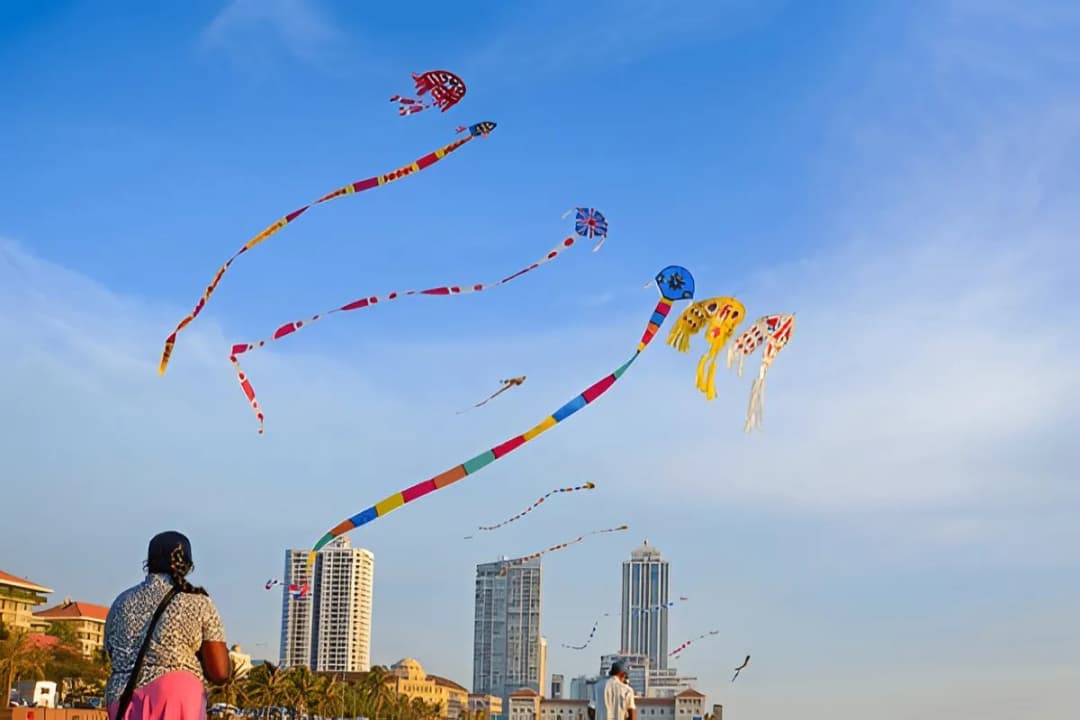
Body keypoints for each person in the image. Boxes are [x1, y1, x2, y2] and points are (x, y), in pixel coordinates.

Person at [105, 531, 230, 720]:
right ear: (187, 565)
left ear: (148, 563)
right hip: (174, 695)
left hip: (122, 699)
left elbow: (112, 652)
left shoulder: (121, 602)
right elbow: (220, 672)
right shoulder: (198, 602)